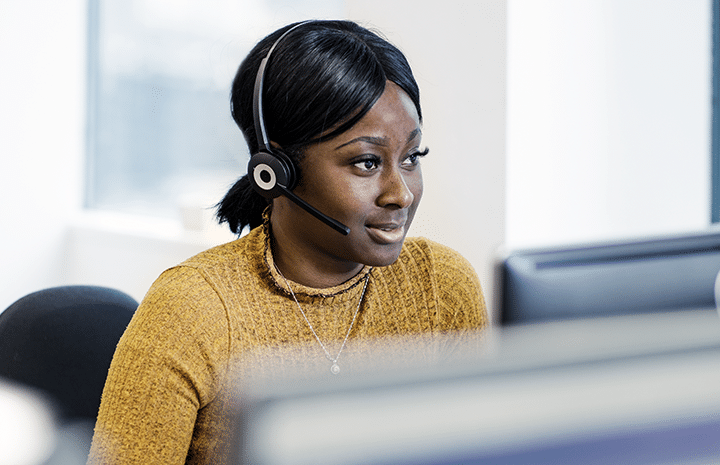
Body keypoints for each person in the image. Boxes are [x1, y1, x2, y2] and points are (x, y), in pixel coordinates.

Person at [87, 19, 487, 464]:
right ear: (276, 169)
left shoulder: (441, 287)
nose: (402, 193)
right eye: (367, 162)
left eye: (411, 158)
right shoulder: (194, 311)